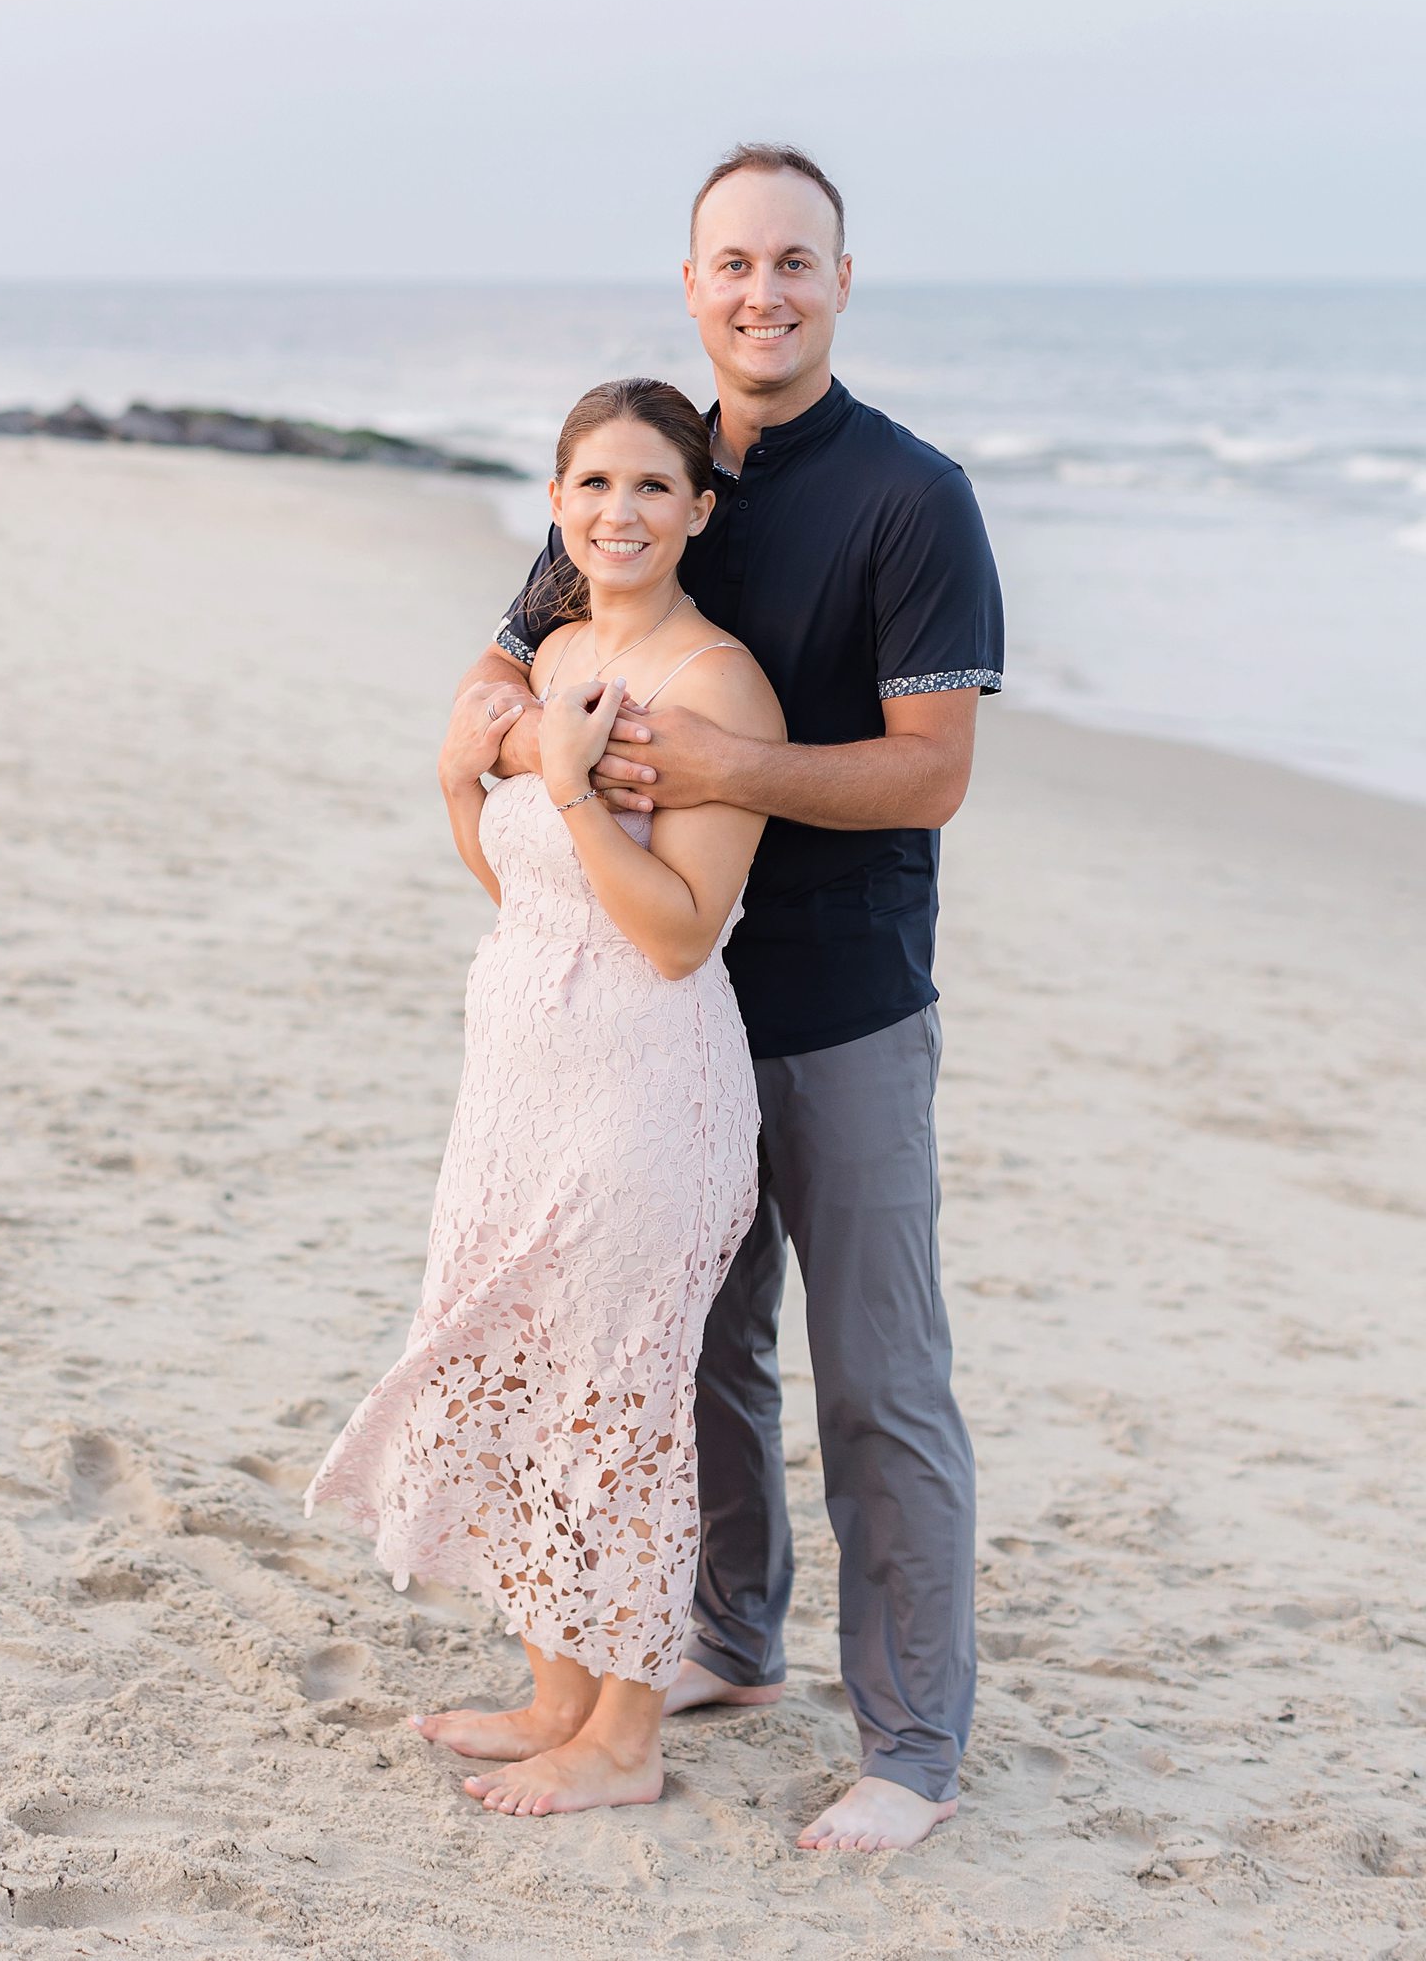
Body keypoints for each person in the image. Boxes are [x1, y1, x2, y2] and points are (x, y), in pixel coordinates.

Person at [460, 144, 1005, 1854]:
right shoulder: (666, 465)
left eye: (795, 261)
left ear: (844, 282)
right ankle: (730, 1643)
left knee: (877, 1380)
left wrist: (719, 758)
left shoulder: (913, 499)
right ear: (692, 285)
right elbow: (526, 634)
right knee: (692, 1357)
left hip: (834, 1006)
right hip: (642, 1018)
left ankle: (911, 1745)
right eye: (731, 263)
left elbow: (932, 778)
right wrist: (481, 708)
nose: (762, 289)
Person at [305, 377, 784, 1819]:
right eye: (592, 486)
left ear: (699, 510)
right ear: (557, 502)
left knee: (619, 1402)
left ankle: (625, 1744)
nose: (618, 513)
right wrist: (468, 779)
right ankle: (557, 1698)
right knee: (521, 1378)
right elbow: (508, 875)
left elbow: (679, 928)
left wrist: (570, 785)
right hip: (516, 1080)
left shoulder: (718, 686)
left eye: (651, 487)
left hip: (647, 1091)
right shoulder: (555, 649)